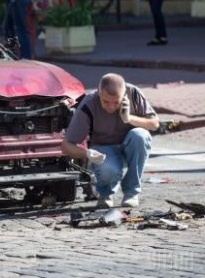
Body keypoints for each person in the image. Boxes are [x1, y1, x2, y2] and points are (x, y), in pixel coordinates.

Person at [61, 73, 159, 208]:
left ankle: (131, 192)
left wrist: (129, 118)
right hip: (104, 151)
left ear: (124, 96)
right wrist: (87, 154)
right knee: (109, 169)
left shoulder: (134, 94)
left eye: (116, 102)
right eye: (106, 102)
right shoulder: (89, 103)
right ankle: (105, 193)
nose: (111, 107)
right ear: (99, 94)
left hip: (130, 147)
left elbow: (154, 124)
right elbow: (66, 146)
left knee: (141, 136)